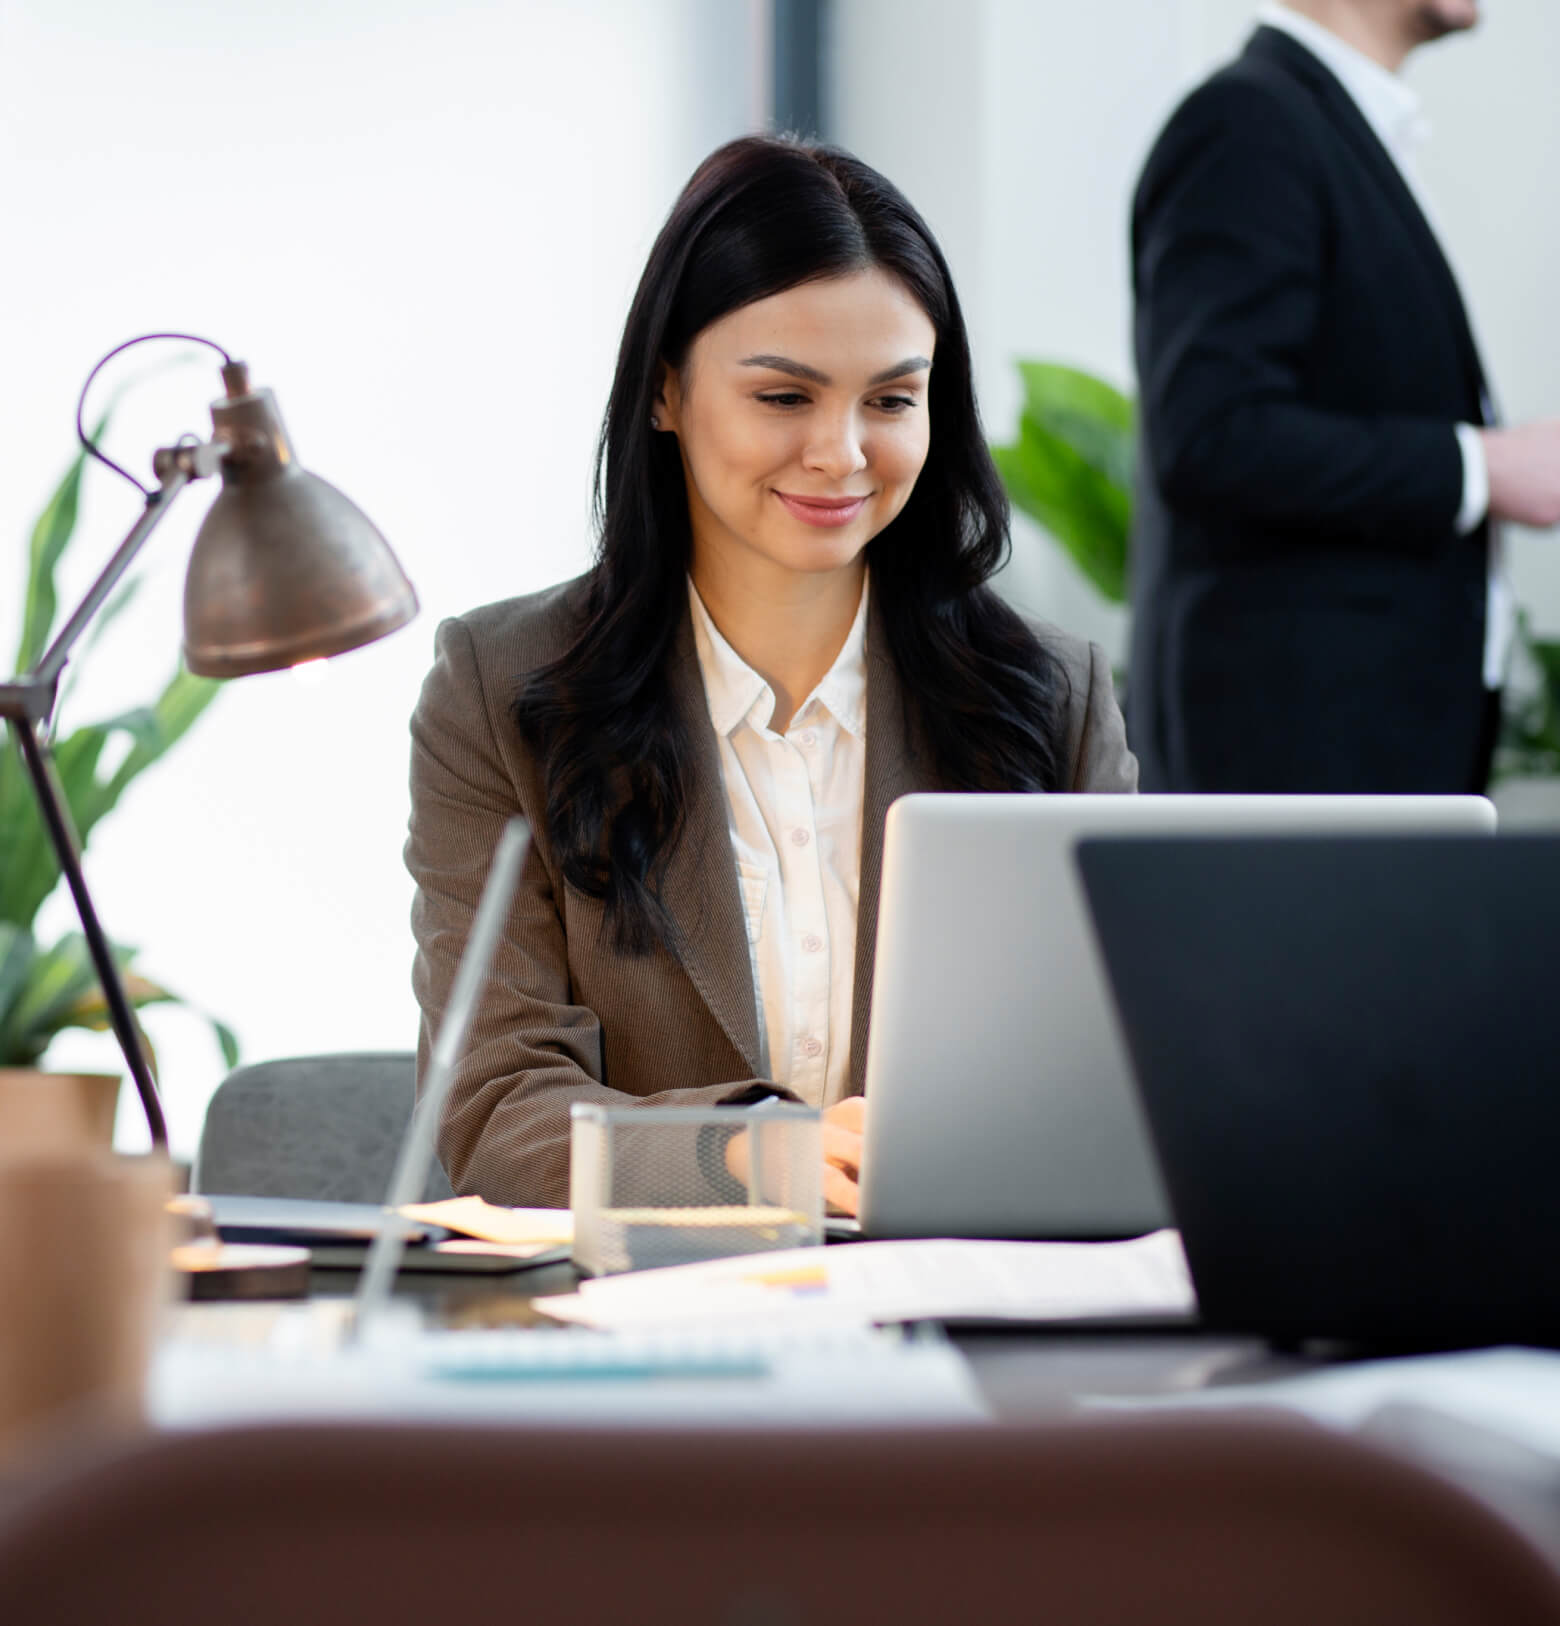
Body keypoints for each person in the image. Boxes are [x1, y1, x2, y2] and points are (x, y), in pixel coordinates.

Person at [405, 135, 1136, 1216]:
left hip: (963, 1318)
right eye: (785, 398)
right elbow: (494, 1114)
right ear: (665, 393)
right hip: (648, 1341)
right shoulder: (503, 691)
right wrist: (750, 1158)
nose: (843, 453)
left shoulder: (1051, 695)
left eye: (891, 401)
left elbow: (1118, 1076)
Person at [1128, 0, 1560, 793]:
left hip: (1355, 754)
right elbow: (1213, 435)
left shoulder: (1315, 124)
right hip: (1293, 768)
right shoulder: (1247, 124)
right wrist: (1482, 468)